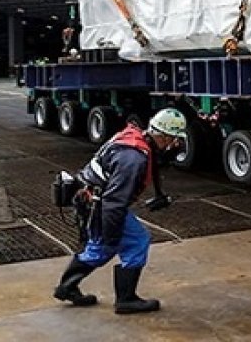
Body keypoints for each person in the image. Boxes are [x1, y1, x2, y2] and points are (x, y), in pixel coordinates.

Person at [53, 108, 187, 314]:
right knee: (135, 241)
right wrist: (112, 234)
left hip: (92, 200)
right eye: (174, 139)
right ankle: (126, 299)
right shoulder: (133, 159)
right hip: (101, 205)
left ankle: (67, 287)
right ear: (164, 136)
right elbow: (114, 201)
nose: (175, 144)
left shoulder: (136, 139)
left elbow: (149, 163)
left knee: (99, 249)